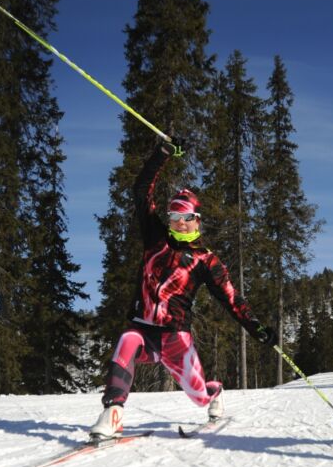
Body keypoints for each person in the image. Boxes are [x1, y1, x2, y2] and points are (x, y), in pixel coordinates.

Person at [91, 139, 277, 439]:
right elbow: (141, 190)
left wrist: (255, 327)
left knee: (199, 396)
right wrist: (161, 155)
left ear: (197, 219)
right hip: (144, 329)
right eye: (173, 216)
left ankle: (214, 392)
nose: (179, 222)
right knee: (126, 341)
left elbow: (231, 298)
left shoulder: (206, 260)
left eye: (185, 217)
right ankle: (113, 412)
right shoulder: (155, 236)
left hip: (177, 337)